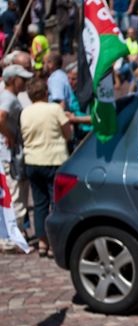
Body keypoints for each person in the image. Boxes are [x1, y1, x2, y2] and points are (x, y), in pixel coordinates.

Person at [20, 78, 72, 257]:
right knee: (56, 202)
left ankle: (43, 242)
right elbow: (67, 132)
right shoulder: (54, 109)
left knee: (40, 204)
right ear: (45, 93)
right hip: (54, 159)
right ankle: (54, 244)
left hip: (33, 160)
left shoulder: (25, 112)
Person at [0, 64, 32, 243]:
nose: (25, 82)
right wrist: (10, 134)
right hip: (10, 154)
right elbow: (1, 117)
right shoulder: (9, 98)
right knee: (16, 194)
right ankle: (12, 239)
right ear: (12, 80)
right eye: (22, 79)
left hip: (6, 153)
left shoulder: (7, 95)